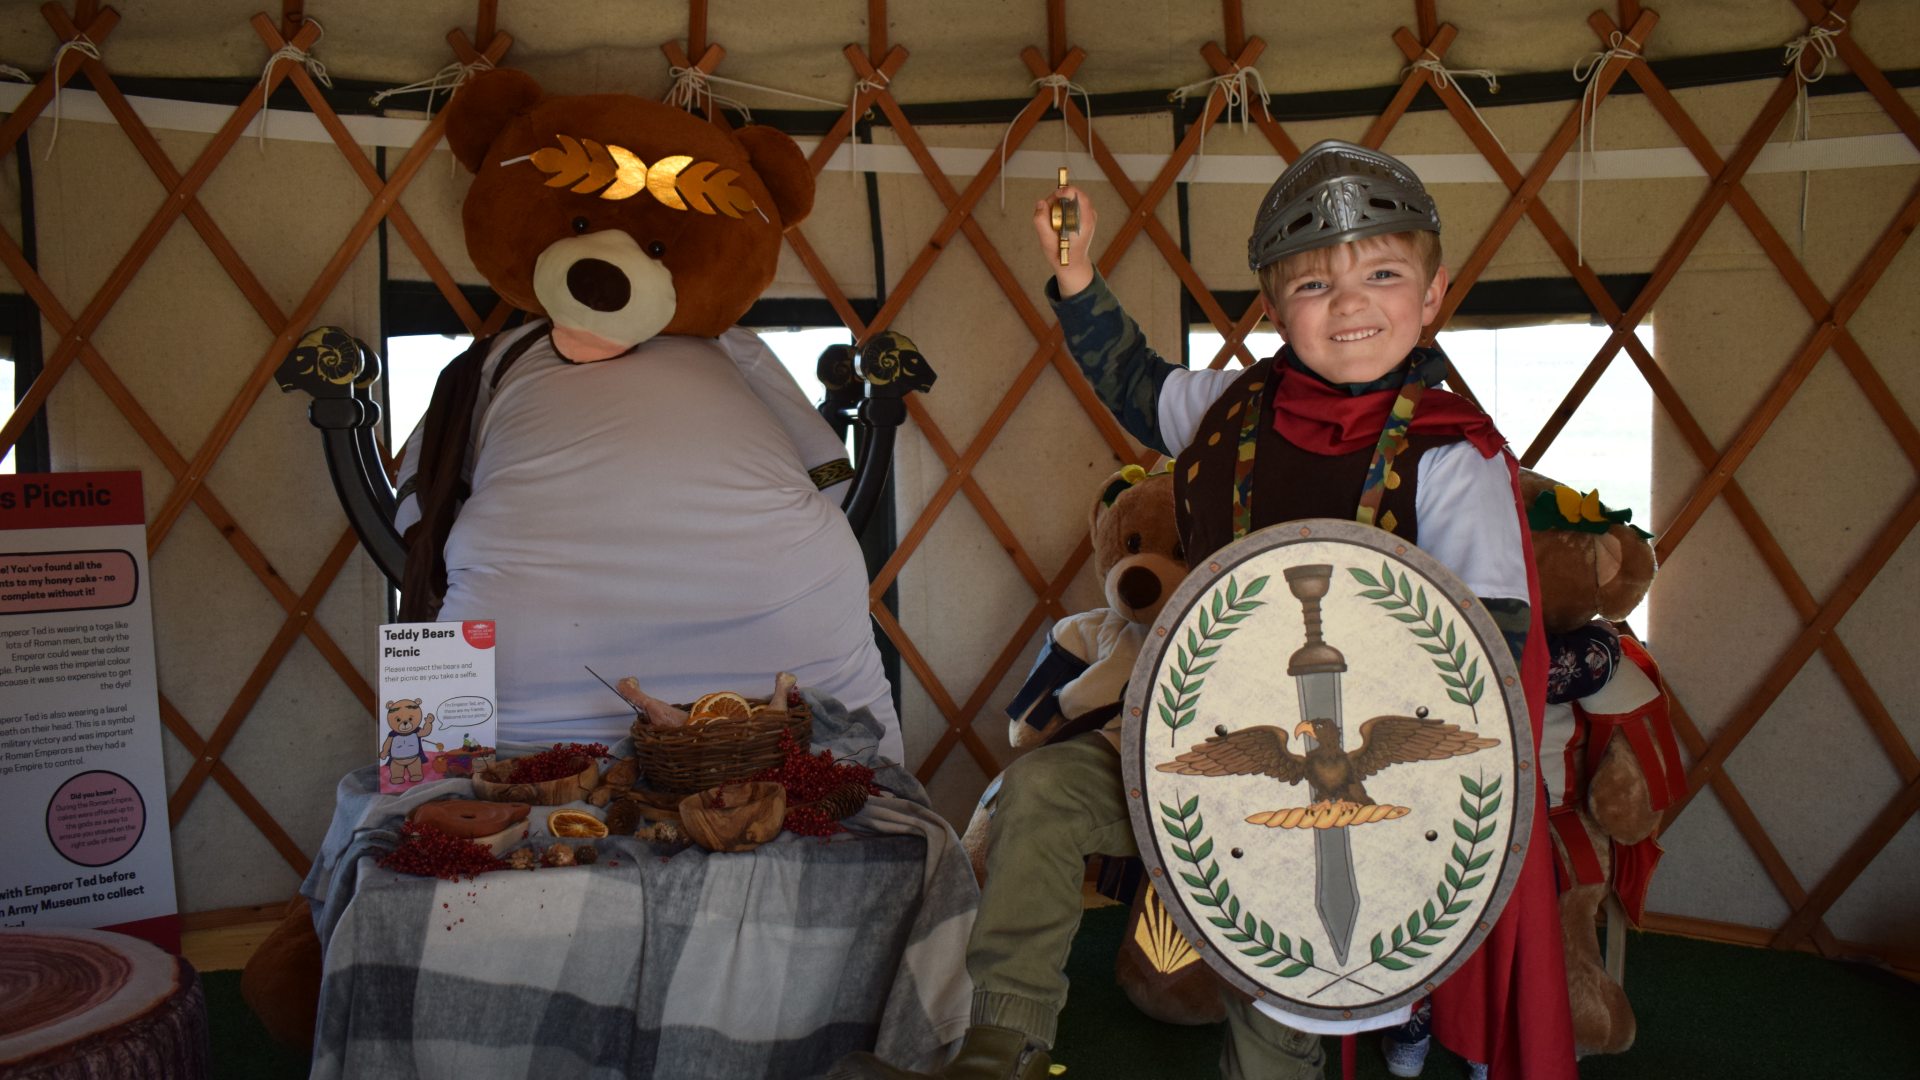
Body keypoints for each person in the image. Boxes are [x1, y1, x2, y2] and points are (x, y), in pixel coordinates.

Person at [831, 141, 1576, 1080]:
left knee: (1286, 978)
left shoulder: (1450, 460)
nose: (1349, 304)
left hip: (1352, 790)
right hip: (1205, 750)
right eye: (1313, 285)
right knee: (1041, 794)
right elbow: (1136, 383)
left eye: (1382, 274)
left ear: (1430, 296)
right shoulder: (1235, 405)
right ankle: (1001, 1047)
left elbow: (1490, 655)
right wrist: (1075, 274)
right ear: (1273, 306)